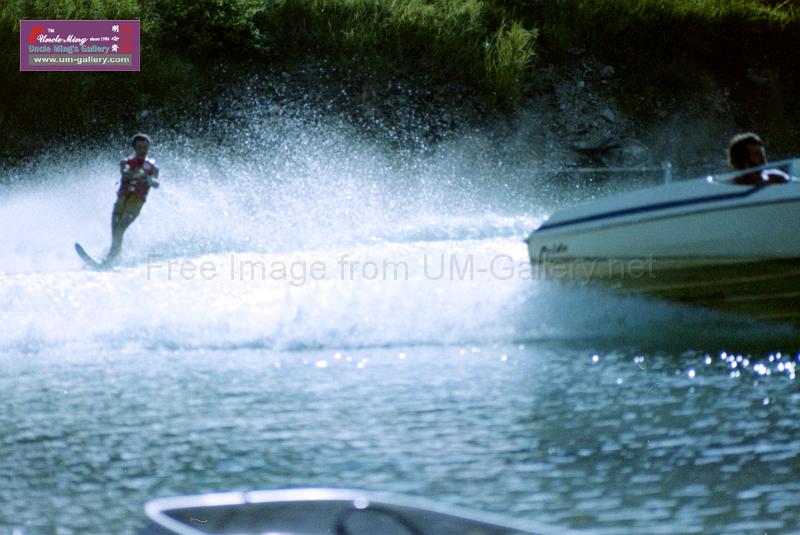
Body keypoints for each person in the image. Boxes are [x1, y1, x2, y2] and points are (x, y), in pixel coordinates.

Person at [106, 133, 160, 263]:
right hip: (122, 198)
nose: (142, 150)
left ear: (148, 148)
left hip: (136, 201)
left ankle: (110, 258)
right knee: (115, 228)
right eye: (139, 147)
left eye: (145, 147)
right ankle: (116, 253)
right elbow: (125, 173)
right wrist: (137, 174)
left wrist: (150, 180)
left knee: (121, 227)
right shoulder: (126, 162)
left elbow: (156, 183)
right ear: (134, 148)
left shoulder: (153, 168)